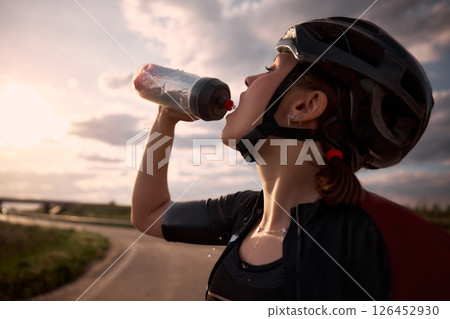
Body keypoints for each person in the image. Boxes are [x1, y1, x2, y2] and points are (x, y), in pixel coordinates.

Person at [131, 17, 450, 300]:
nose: (249, 80)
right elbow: (149, 215)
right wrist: (164, 120)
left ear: (304, 107)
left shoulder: (379, 240)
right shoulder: (244, 213)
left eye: (271, 70)